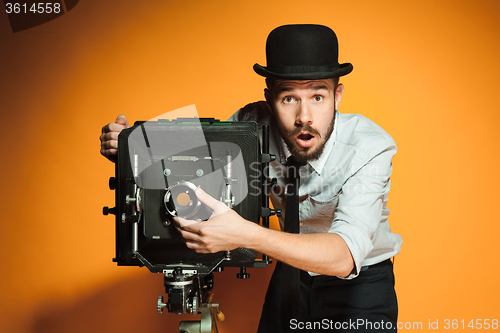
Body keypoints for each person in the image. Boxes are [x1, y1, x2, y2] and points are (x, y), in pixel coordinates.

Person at [100, 24, 402, 332]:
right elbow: (193, 149)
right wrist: (130, 146)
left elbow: (344, 258)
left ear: (337, 96)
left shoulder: (370, 147)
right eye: (288, 98)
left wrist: (246, 235)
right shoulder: (251, 124)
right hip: (292, 273)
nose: (304, 117)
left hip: (361, 283)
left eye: (318, 97)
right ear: (269, 99)